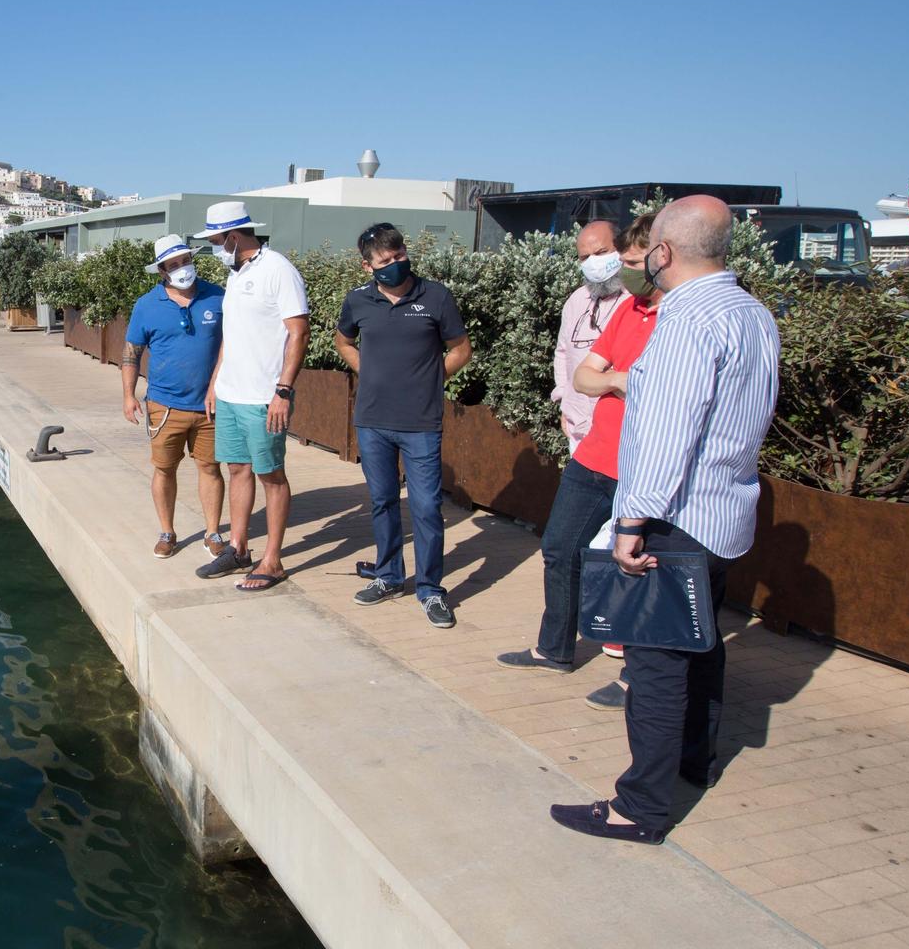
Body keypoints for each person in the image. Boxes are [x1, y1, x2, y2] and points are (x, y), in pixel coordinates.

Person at [550, 196, 780, 845]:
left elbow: (664, 433)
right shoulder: (753, 314)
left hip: (674, 514)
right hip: (725, 510)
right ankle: (693, 763)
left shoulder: (685, 320)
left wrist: (631, 522)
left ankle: (641, 806)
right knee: (701, 647)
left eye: (646, 245)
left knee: (655, 666)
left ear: (664, 252)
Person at [496, 217, 660, 678]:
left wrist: (609, 380)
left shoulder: (664, 313)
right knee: (560, 547)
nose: (598, 265)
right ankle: (555, 649)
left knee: (635, 558)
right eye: (583, 257)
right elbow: (578, 367)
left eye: (611, 255)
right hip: (590, 450)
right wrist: (594, 387)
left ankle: (637, 666)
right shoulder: (604, 307)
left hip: (643, 461)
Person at [333, 223, 472, 628]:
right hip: (372, 420)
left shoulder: (436, 296)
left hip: (420, 422)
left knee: (427, 507)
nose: (395, 264)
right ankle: (389, 576)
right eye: (385, 261)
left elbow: (461, 349)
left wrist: (430, 378)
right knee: (383, 501)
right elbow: (343, 341)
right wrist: (367, 368)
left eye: (399, 256)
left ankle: (430, 589)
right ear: (367, 266)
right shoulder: (358, 300)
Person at [190, 201, 308, 593]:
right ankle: (239, 549)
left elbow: (299, 332)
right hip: (229, 396)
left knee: (271, 476)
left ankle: (272, 560)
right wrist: (214, 383)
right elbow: (234, 335)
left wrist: (283, 391)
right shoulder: (236, 275)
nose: (213, 246)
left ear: (234, 237)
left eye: (215, 239)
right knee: (237, 469)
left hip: (263, 398)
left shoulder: (278, 270)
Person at [122, 234, 229, 559]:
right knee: (164, 469)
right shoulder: (147, 305)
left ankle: (212, 532)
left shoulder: (218, 297)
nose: (183, 268)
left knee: (210, 468)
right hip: (164, 406)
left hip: (210, 406)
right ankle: (167, 532)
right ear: (162, 272)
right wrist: (129, 395)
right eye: (174, 264)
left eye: (186, 261)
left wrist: (218, 387)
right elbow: (131, 351)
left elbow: (233, 342)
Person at [554, 220, 624, 456]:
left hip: (619, 428)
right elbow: (563, 351)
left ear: (620, 248)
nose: (593, 262)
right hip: (578, 426)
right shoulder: (577, 300)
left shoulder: (634, 300)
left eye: (601, 253)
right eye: (585, 257)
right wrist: (565, 399)